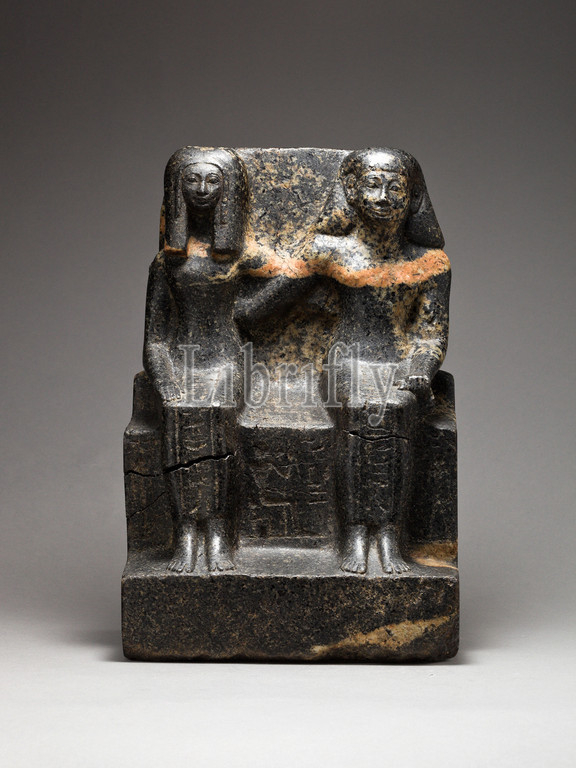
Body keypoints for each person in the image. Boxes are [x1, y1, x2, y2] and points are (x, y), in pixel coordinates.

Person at [143, 147, 248, 573]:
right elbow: (154, 339)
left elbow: (264, 306)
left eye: (213, 180)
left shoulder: (240, 257)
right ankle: (187, 530)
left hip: (226, 360)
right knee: (180, 418)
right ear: (177, 189)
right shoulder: (165, 263)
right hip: (180, 361)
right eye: (192, 179)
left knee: (216, 422)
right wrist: (166, 382)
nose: (202, 189)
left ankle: (217, 528)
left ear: (228, 190)